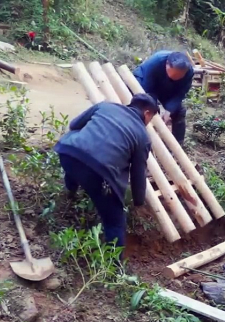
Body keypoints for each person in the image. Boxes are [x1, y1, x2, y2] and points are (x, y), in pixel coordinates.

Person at [54, 94, 158, 248]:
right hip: (98, 174)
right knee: (115, 222)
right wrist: (138, 202)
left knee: (78, 149)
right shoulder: (143, 137)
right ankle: (115, 267)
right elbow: (138, 173)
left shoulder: (105, 106)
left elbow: (74, 124)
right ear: (147, 113)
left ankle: (70, 192)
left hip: (67, 154)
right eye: (151, 118)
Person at [133, 51, 193, 145]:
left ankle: (177, 146)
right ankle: (142, 140)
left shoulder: (189, 72)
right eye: (172, 75)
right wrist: (155, 108)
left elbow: (180, 94)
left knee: (179, 111)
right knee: (144, 109)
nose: (174, 78)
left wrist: (169, 110)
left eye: (177, 77)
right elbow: (148, 88)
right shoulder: (156, 62)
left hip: (168, 88)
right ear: (166, 65)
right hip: (144, 82)